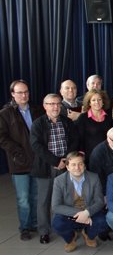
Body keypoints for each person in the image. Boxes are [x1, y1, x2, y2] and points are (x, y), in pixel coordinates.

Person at [30, 93, 79, 244]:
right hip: (46, 166)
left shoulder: (67, 122)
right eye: (51, 104)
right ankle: (44, 231)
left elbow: (74, 141)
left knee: (67, 198)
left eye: (58, 104)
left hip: (65, 166)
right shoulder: (38, 123)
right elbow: (36, 145)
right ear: (45, 106)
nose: (55, 107)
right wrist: (55, 160)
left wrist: (65, 160)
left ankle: (69, 227)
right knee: (44, 201)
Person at [0, 80, 44, 240]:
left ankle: (34, 223)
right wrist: (17, 152)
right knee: (23, 198)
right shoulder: (5, 114)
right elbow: (2, 138)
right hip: (19, 162)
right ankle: (24, 227)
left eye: (26, 92)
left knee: (35, 195)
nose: (24, 95)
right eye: (20, 92)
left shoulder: (37, 110)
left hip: (37, 160)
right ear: (13, 94)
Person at [51, 151, 108, 252]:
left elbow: (99, 201)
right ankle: (70, 239)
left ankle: (89, 235)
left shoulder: (94, 178)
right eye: (73, 164)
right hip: (69, 213)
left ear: (84, 166)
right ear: (67, 167)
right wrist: (80, 214)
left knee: (102, 221)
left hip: (89, 212)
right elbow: (56, 206)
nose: (77, 168)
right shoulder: (59, 181)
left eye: (80, 164)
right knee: (57, 224)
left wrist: (87, 213)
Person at [76, 89, 113, 161]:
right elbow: (79, 138)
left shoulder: (109, 117)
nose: (97, 102)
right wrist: (81, 154)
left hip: (108, 155)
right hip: (90, 156)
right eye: (93, 100)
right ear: (89, 103)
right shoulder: (83, 118)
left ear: (103, 102)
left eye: (99, 99)